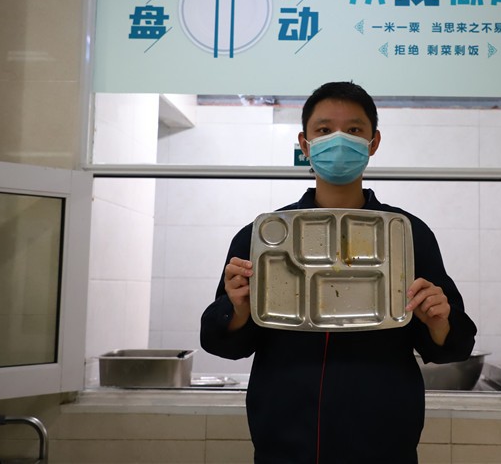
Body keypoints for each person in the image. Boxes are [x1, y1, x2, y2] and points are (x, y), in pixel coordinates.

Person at [200, 81, 477, 464]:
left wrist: (438, 322)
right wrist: (237, 310)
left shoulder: (408, 235)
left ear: (373, 142)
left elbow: (455, 345)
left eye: (354, 129)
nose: (339, 140)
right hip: (284, 443)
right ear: (305, 143)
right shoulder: (263, 237)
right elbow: (221, 344)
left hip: (383, 447)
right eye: (324, 130)